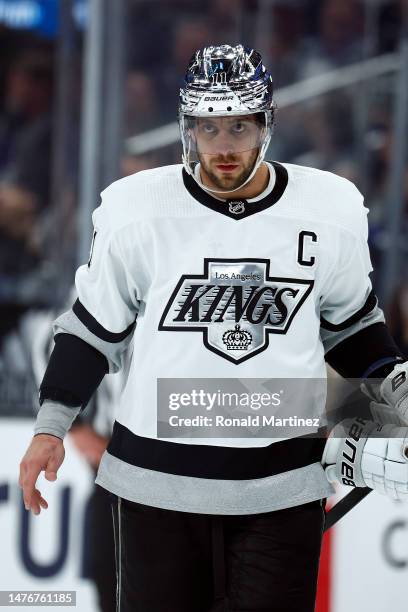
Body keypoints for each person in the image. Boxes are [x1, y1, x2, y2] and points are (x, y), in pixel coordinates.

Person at [19, 45, 408, 612]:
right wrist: (50, 426)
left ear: (265, 125)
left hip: (281, 483)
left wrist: (394, 387)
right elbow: (90, 329)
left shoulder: (329, 209)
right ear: (189, 128)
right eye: (209, 127)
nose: (223, 146)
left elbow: (351, 325)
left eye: (239, 126)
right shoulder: (137, 209)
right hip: (154, 485)